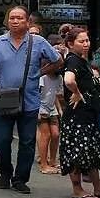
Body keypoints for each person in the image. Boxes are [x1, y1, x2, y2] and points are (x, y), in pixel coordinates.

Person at [0, 7, 62, 194]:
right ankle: (5, 171)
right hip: (4, 99)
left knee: (27, 142)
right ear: (7, 21)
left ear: (28, 22)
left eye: (19, 18)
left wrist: (40, 73)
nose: (15, 21)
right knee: (2, 139)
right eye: (12, 18)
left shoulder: (38, 42)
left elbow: (58, 61)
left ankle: (20, 179)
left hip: (30, 100)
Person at [60, 27, 100, 198]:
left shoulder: (82, 60)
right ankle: (77, 189)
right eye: (81, 41)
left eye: (87, 40)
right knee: (77, 153)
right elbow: (69, 80)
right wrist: (76, 92)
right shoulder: (73, 61)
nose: (86, 44)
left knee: (92, 152)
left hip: (89, 114)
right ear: (71, 44)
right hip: (77, 117)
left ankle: (98, 187)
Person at [37, 33, 65, 175]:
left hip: (52, 108)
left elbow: (55, 95)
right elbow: (38, 94)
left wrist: (59, 109)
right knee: (45, 135)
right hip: (41, 107)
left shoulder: (58, 78)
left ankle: (53, 161)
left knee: (55, 134)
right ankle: (43, 163)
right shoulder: (42, 78)